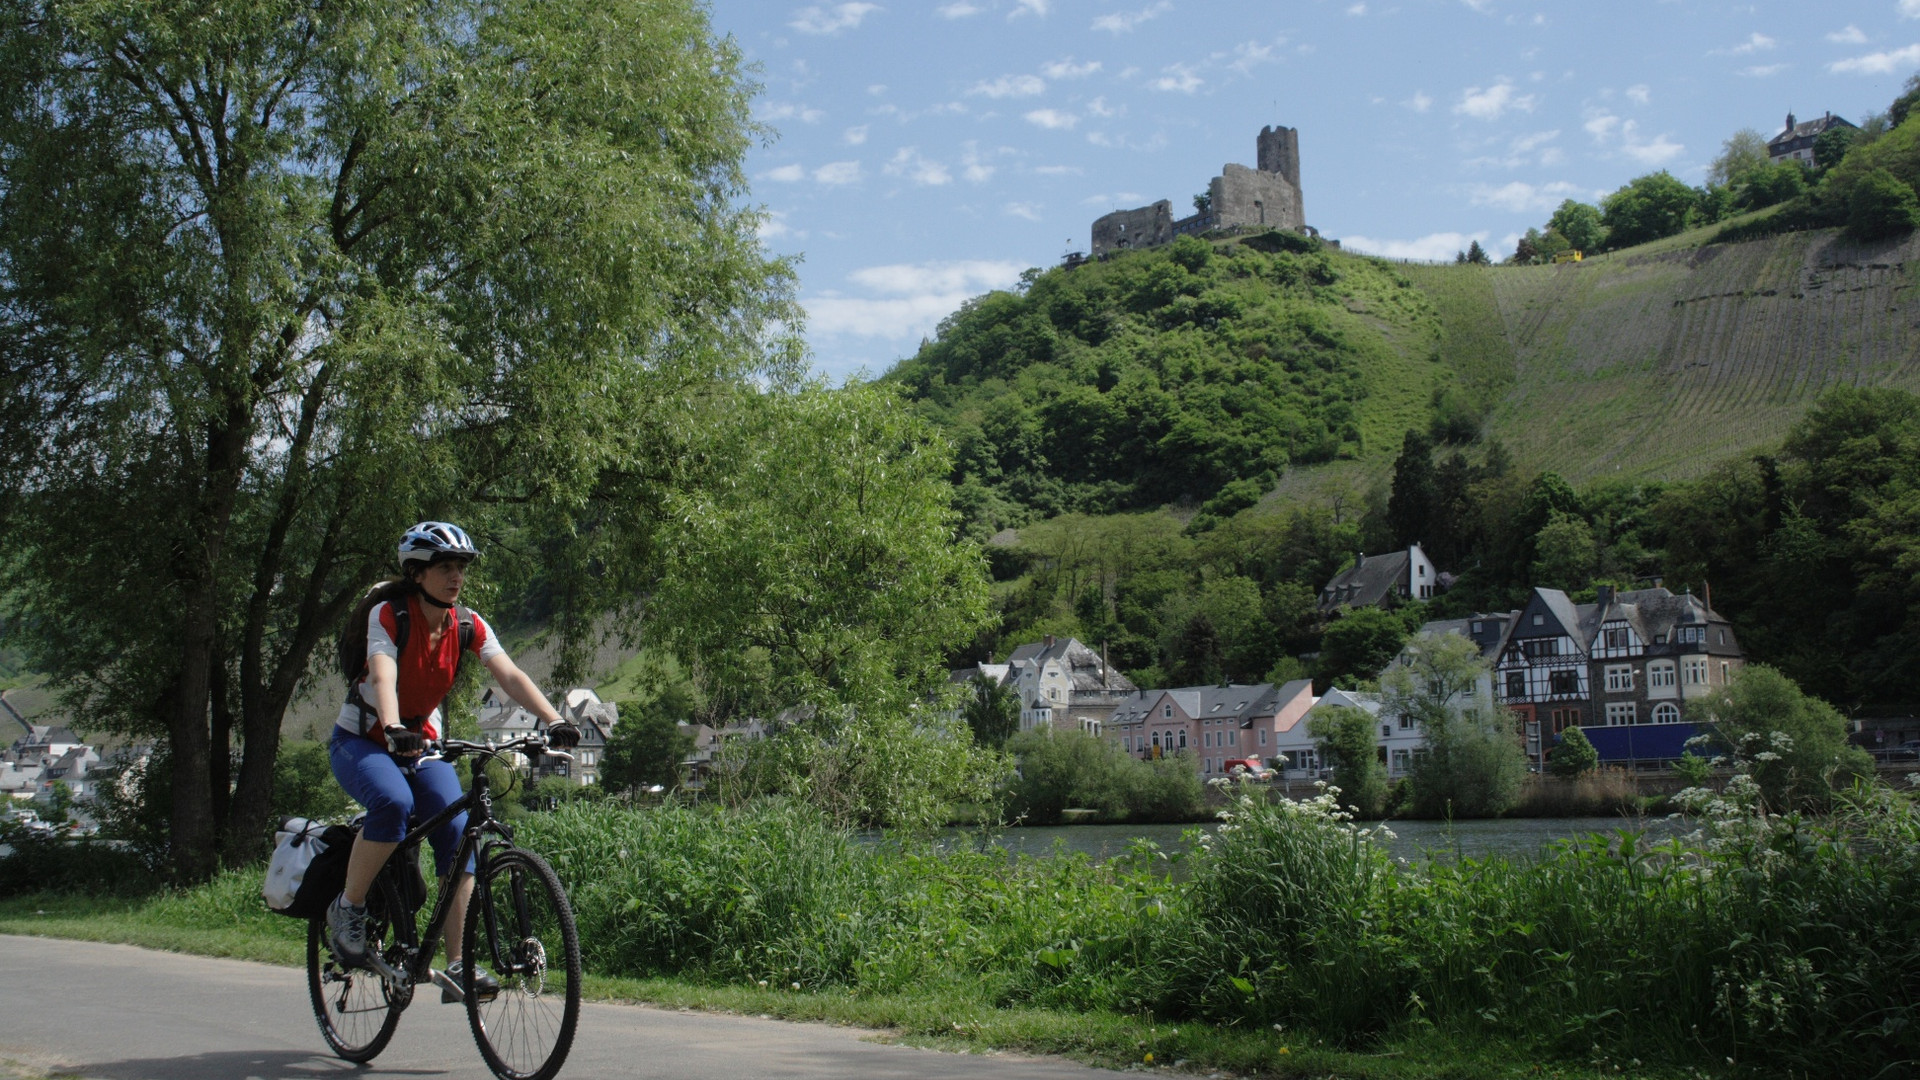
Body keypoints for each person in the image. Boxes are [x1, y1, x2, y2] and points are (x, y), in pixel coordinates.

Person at [327, 521, 579, 1003]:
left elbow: (507, 672)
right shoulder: (390, 615)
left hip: (420, 744)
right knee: (393, 803)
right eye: (445, 567)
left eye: (460, 567)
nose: (456, 576)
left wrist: (552, 718)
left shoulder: (466, 623)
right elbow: (383, 673)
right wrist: (395, 725)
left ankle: (458, 964)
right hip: (363, 741)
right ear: (417, 573)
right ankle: (349, 906)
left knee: (459, 830)